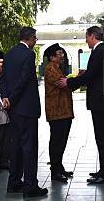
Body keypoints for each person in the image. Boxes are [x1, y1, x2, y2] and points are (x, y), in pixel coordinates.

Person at [58, 26, 104, 184]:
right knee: (103, 137)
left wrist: (69, 82)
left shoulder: (100, 51)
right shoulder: (103, 50)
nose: (85, 41)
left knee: (103, 138)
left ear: (92, 36)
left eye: (86, 37)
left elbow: (90, 76)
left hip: (102, 102)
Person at [0, 27, 47, 197]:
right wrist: (12, 97)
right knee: (29, 148)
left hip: (13, 109)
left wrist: (6, 97)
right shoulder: (29, 55)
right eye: (35, 39)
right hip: (26, 108)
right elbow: (25, 79)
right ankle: (30, 186)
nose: (35, 42)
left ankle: (13, 183)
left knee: (16, 146)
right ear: (31, 38)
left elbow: (3, 79)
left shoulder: (9, 53)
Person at [43, 43, 74, 183]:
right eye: (59, 53)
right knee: (56, 141)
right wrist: (77, 80)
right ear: (51, 57)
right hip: (56, 112)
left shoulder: (58, 68)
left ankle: (59, 167)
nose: (62, 55)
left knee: (61, 141)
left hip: (64, 111)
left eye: (62, 53)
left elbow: (66, 84)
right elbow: (63, 84)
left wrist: (74, 80)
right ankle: (55, 171)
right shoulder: (50, 69)